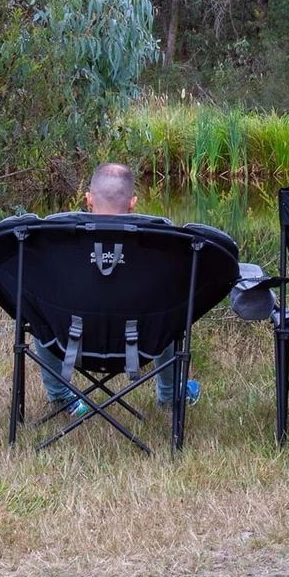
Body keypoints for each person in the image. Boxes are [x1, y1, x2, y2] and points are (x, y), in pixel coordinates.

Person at [35, 162, 202, 415]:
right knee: (167, 310)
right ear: (133, 203)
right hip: (139, 346)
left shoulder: (55, 238)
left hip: (69, 343)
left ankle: (61, 398)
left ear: (88, 199)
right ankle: (170, 395)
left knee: (38, 311)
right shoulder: (160, 242)